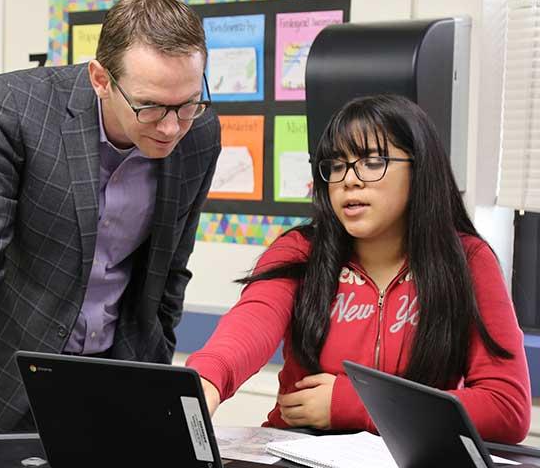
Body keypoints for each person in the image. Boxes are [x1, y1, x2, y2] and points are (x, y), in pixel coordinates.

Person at [0, 0, 221, 464]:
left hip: (116, 384)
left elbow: (170, 270)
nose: (171, 128)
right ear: (101, 79)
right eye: (150, 107)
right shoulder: (11, 110)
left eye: (187, 104)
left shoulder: (201, 134)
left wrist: (151, 375)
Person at [186, 94, 531, 443]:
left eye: (371, 161)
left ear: (419, 168)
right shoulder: (301, 251)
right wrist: (205, 383)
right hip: (299, 452)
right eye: (336, 165)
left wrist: (353, 403)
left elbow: (507, 408)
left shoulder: (467, 260)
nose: (349, 179)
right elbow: (251, 323)